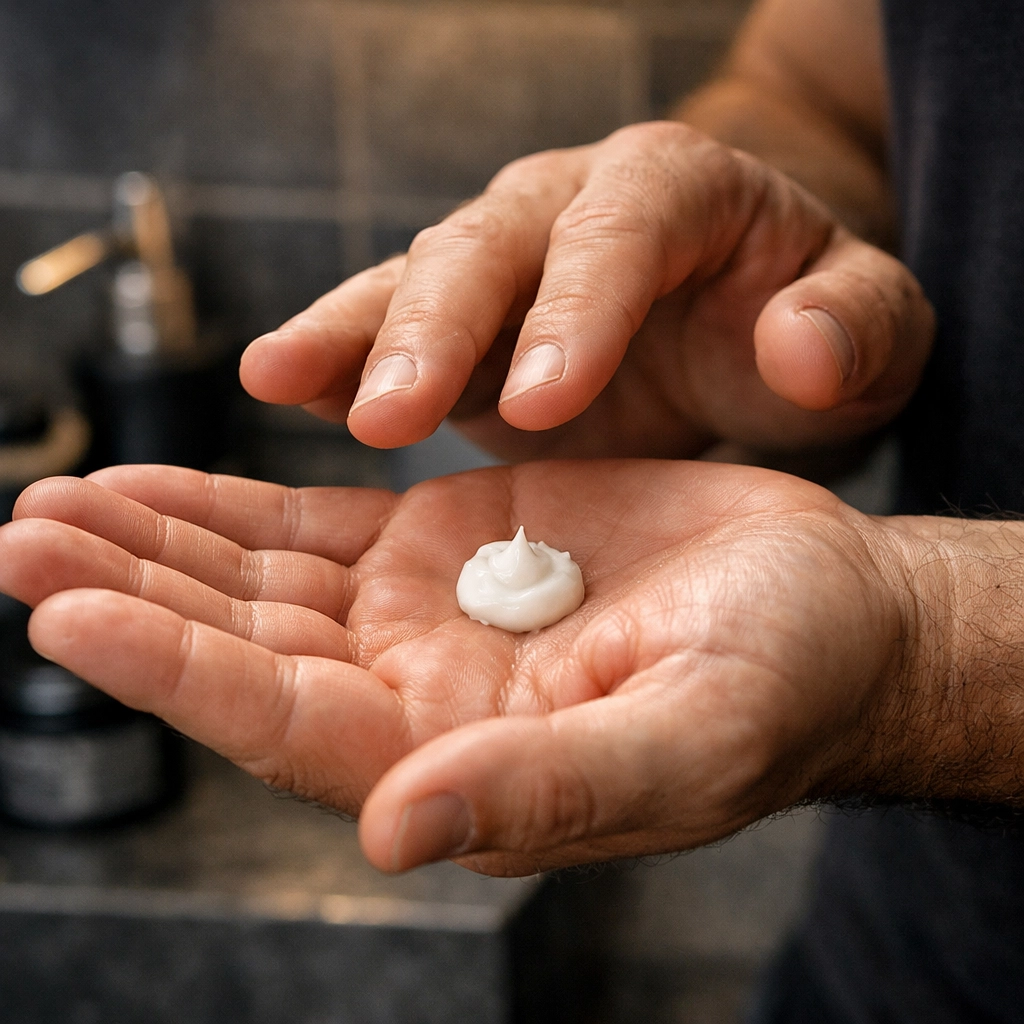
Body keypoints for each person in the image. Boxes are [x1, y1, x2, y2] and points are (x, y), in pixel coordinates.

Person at [2, 0, 1023, 1017]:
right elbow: (819, 88)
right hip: (884, 968)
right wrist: (750, 268)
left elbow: (924, 644)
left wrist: (929, 641)